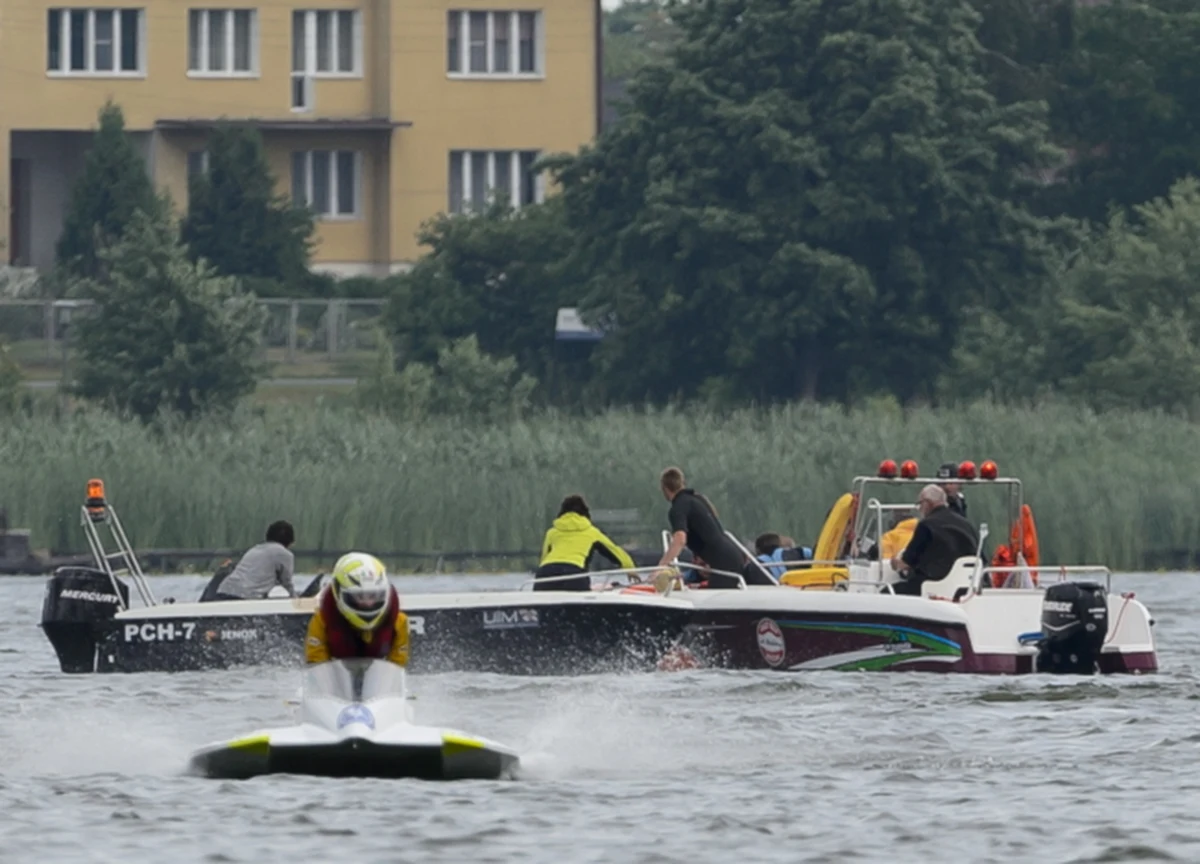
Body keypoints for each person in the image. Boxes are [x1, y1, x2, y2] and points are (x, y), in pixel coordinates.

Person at [656, 467, 769, 588]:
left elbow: (680, 539)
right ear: (682, 483)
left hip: (724, 561)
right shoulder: (697, 499)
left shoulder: (678, 507)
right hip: (732, 554)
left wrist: (661, 566)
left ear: (664, 488)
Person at [305, 552, 409, 666]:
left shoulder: (399, 622)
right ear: (339, 592)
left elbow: (397, 670)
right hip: (336, 679)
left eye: (373, 596)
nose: (368, 603)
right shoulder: (321, 621)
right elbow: (317, 667)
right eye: (360, 597)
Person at [890, 485, 979, 596]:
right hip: (964, 588)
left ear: (927, 503)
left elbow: (906, 563)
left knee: (887, 592)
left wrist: (894, 562)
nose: (920, 509)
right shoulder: (967, 525)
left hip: (931, 586)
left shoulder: (926, 525)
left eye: (920, 504)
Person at [534, 495, 636, 591]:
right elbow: (615, 551)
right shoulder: (591, 532)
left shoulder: (552, 532)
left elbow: (544, 557)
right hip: (574, 574)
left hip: (545, 575)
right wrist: (630, 568)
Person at [203, 520, 296, 601]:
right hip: (245, 597)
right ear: (290, 541)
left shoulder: (255, 549)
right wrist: (297, 600)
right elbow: (287, 584)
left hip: (223, 592)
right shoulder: (285, 554)